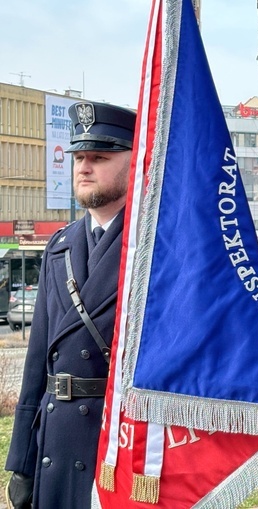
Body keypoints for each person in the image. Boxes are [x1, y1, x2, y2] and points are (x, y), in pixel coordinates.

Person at [5, 102, 136, 509]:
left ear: (136, 164)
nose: (84, 167)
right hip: (56, 444)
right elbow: (37, 365)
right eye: (80, 157)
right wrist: (22, 462)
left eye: (100, 157)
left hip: (119, 443)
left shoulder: (155, 247)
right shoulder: (60, 246)